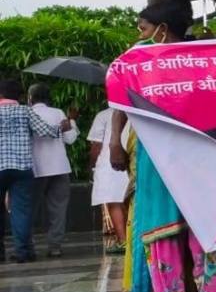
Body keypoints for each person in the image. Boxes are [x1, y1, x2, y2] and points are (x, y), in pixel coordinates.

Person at [112, 0, 216, 292]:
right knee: (160, 232)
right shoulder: (136, 59)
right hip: (156, 157)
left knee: (209, 228)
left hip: (201, 153)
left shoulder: (204, 55)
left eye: (143, 28)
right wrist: (114, 141)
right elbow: (119, 99)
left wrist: (215, 48)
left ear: (162, 28)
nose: (140, 34)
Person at [0, 79, 70, 263]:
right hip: (22, 168)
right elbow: (45, 131)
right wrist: (61, 127)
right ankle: (23, 252)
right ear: (21, 96)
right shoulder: (26, 111)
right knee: (21, 210)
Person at [27, 83, 79, 258]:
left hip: (35, 168)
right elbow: (70, 139)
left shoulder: (27, 113)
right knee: (58, 209)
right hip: (59, 167)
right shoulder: (58, 113)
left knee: (29, 209)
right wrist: (72, 121)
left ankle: (28, 244)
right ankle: (55, 246)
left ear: (30, 98)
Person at [87, 108, 130, 250]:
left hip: (110, 163)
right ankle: (133, 239)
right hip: (131, 160)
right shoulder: (136, 110)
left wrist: (91, 165)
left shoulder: (103, 115)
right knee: (130, 202)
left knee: (114, 202)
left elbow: (96, 146)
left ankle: (123, 240)